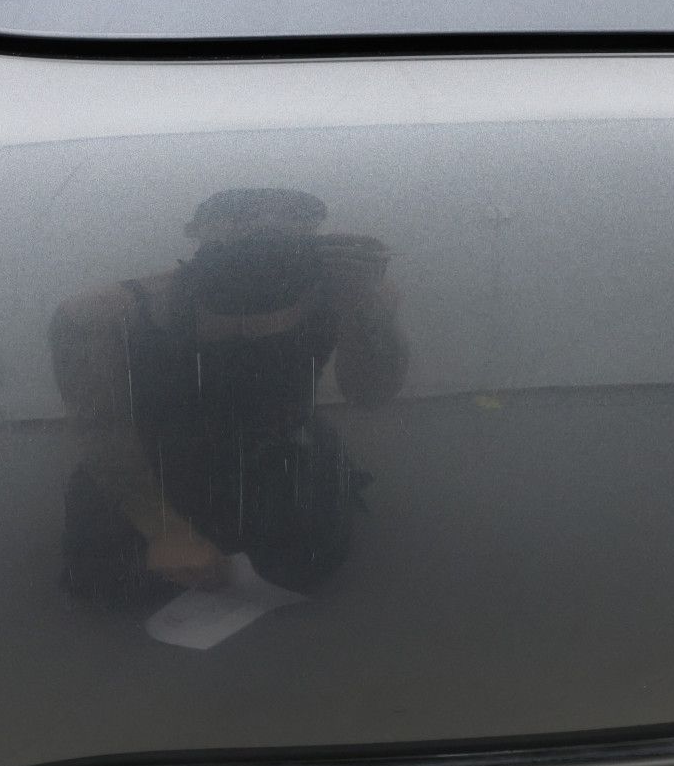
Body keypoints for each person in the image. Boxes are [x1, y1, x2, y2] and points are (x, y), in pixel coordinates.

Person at [49, 188, 408, 608]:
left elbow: (370, 395)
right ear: (196, 234)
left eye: (284, 228)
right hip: (158, 459)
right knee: (108, 579)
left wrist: (363, 308)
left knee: (304, 562)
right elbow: (102, 429)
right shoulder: (107, 313)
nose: (265, 235)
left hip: (277, 451)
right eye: (243, 225)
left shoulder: (347, 295)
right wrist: (164, 529)